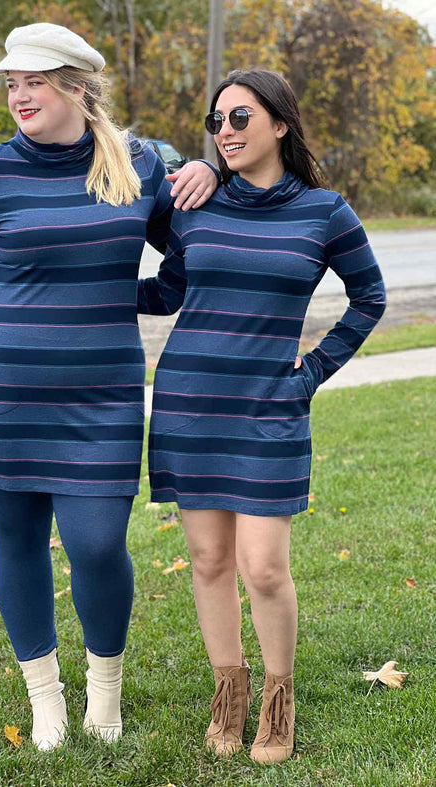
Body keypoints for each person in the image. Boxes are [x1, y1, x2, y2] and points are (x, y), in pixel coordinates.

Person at [0, 22, 217, 751]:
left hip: (102, 397)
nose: (19, 94)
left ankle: (104, 695)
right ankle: (46, 697)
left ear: (76, 87)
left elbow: (185, 266)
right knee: (15, 538)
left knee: (95, 544)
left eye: (34, 81)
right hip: (3, 391)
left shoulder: (140, 167)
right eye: (12, 83)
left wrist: (210, 182)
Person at [138, 69, 386, 763]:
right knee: (209, 558)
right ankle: (229, 696)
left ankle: (279, 700)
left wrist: (309, 374)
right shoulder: (195, 204)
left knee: (265, 566)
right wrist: (98, 290)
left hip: (268, 408)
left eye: (240, 118)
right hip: (190, 401)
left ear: (280, 123)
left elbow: (369, 298)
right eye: (216, 121)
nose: (225, 131)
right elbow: (168, 288)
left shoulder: (324, 212)